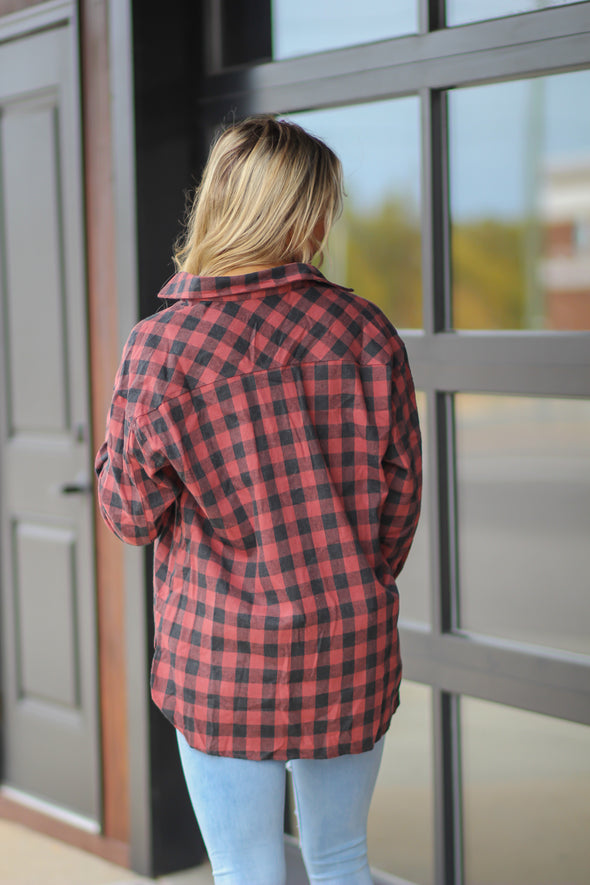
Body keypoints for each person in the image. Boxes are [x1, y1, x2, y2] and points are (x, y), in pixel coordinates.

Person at [95, 115, 422, 885]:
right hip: (349, 643)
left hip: (222, 656)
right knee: (342, 857)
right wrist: (348, 578)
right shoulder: (367, 332)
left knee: (246, 866)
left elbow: (129, 514)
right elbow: (399, 507)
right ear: (299, 214)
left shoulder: (163, 346)